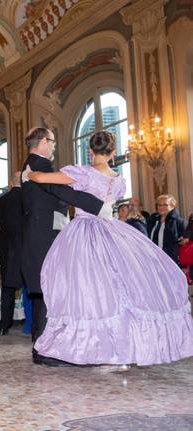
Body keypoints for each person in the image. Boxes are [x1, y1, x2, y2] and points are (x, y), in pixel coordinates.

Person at [27, 131, 193, 369]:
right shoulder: (119, 180)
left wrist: (29, 173)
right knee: (118, 288)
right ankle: (121, 346)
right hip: (111, 231)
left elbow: (43, 179)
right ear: (113, 153)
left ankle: (92, 347)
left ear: (90, 151)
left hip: (83, 232)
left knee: (85, 289)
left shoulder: (83, 173)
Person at [20, 127, 105, 367]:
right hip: (45, 234)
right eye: (54, 141)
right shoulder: (40, 166)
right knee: (49, 289)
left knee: (43, 292)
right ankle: (45, 351)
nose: (55, 146)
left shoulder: (30, 164)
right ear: (45, 141)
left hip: (39, 233)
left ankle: (42, 348)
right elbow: (60, 190)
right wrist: (98, 206)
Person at [0, 171, 24, 336]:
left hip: (7, 247)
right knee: (31, 287)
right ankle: (36, 328)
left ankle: (3, 326)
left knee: (7, 286)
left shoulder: (2, 200)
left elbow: (1, 223)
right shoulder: (28, 197)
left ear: (11, 183)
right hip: (26, 246)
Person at [147, 194, 187, 264]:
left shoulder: (180, 222)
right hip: (154, 261)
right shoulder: (152, 221)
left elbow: (186, 243)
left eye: (165, 205)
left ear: (172, 206)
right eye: (159, 205)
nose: (161, 207)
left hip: (172, 262)